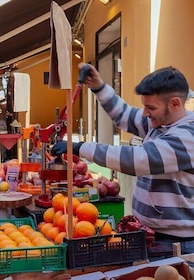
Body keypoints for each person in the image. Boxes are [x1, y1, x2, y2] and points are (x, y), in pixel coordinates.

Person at [51, 64, 194, 256]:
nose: (144, 113)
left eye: (150, 107)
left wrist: (79, 147)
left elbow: (138, 160)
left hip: (176, 244)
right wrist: (99, 86)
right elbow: (124, 114)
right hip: (152, 235)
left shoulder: (187, 136)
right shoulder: (160, 124)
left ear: (175, 104)